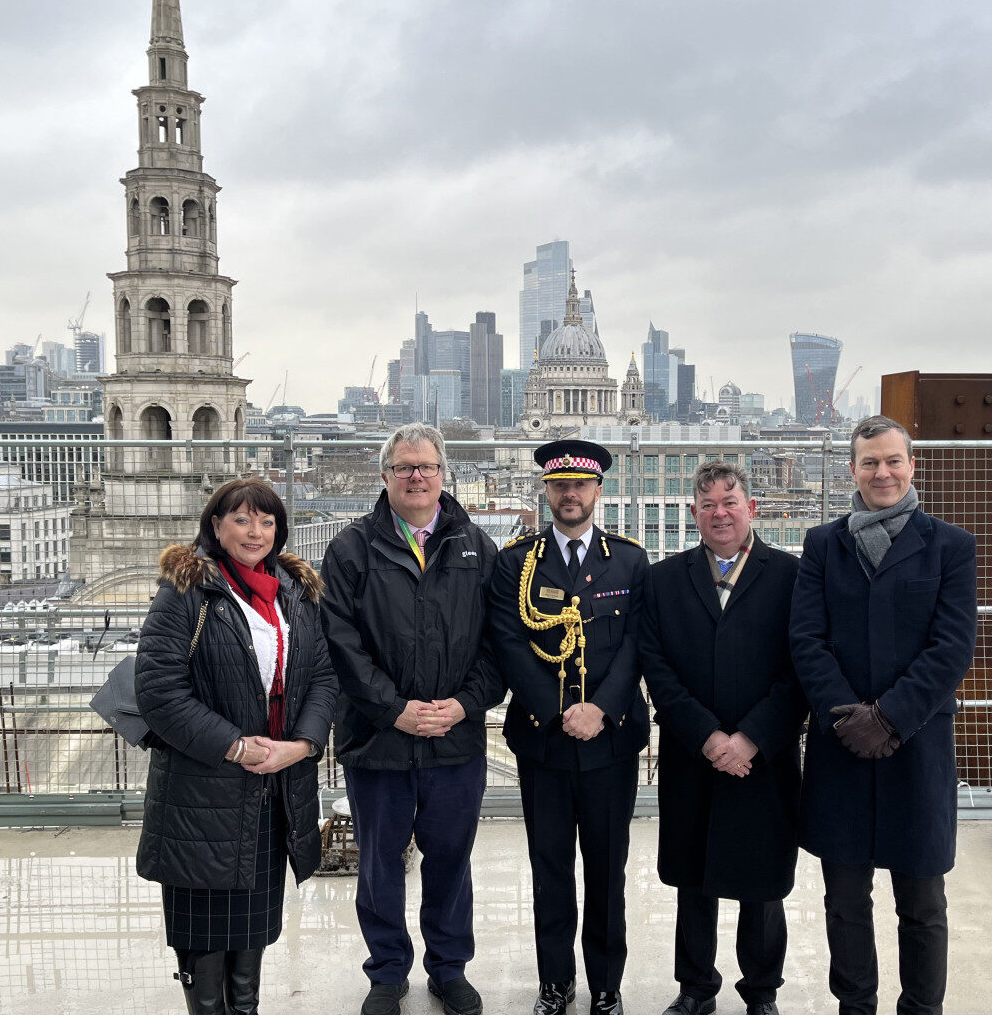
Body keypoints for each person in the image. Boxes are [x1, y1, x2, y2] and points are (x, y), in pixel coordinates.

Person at [790, 415, 977, 1015]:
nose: (882, 472)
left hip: (914, 745)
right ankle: (856, 1006)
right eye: (869, 462)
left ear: (912, 466)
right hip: (843, 744)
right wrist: (850, 717)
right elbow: (806, 641)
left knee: (922, 901)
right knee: (845, 898)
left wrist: (889, 719)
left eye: (893, 460)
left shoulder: (951, 546)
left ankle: (922, 1009)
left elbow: (952, 649)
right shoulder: (823, 545)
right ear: (853, 470)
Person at [135, 478, 338, 1015]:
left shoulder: (294, 591)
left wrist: (303, 744)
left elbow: (322, 677)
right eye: (243, 520)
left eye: (267, 521)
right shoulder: (186, 590)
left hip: (273, 790)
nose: (255, 532)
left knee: (249, 948)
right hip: (203, 797)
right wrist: (234, 746)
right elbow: (158, 692)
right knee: (204, 952)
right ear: (216, 525)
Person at [322, 422, 503, 1015]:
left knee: (451, 858)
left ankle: (448, 969)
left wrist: (464, 704)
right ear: (386, 476)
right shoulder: (350, 549)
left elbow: (498, 646)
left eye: (426, 467)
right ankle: (387, 971)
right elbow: (341, 646)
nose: (416, 476)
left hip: (455, 735)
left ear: (443, 473)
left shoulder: (477, 545)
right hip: (379, 738)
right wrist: (395, 710)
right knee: (379, 860)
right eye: (404, 468)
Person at [487, 439, 649, 1015]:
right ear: (547, 492)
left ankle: (606, 984)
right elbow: (508, 642)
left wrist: (600, 709)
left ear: (598, 491)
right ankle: (555, 983)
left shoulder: (629, 559)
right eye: (560, 486)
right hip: (543, 740)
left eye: (581, 485)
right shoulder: (516, 561)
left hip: (611, 740)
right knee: (549, 868)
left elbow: (636, 645)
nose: (571, 495)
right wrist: (558, 714)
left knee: (608, 871)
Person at [639, 460, 805, 1015]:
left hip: (766, 756)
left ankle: (761, 991)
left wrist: (750, 739)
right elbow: (656, 667)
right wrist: (708, 737)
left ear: (751, 509)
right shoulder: (664, 580)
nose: (720, 513)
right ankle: (695, 987)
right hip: (694, 754)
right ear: (693, 515)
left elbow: (799, 670)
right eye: (707, 504)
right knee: (694, 874)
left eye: (730, 502)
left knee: (761, 882)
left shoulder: (790, 577)